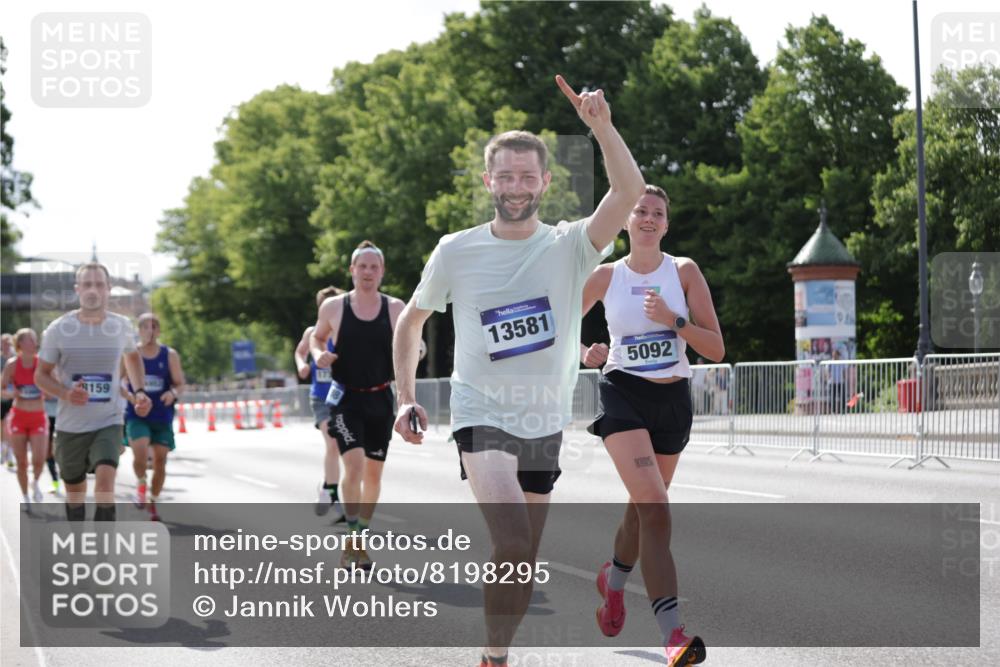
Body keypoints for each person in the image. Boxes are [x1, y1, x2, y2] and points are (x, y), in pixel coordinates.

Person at [393, 75, 645, 667]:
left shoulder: (570, 246)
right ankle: (496, 661)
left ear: (545, 183)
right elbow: (410, 324)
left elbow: (629, 190)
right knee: (509, 542)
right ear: (488, 181)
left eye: (527, 176)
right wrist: (405, 396)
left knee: (523, 558)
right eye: (504, 176)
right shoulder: (455, 249)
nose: (515, 187)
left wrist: (601, 127)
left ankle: (493, 651)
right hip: (481, 414)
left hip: (544, 420)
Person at [580, 185, 724, 667]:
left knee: (642, 510)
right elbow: (554, 327)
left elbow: (717, 348)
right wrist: (585, 352)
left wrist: (674, 321)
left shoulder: (683, 272)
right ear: (625, 220)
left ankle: (613, 584)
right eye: (639, 210)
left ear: (666, 224)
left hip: (672, 401)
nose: (647, 218)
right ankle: (674, 636)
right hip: (622, 393)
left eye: (656, 213)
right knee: (656, 509)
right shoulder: (605, 277)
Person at [310, 242, 405, 570]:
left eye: (373, 267)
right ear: (352, 270)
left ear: (382, 271)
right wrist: (317, 352)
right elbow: (317, 337)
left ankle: (360, 535)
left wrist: (416, 351)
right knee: (353, 467)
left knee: (374, 474)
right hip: (346, 398)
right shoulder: (334, 308)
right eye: (361, 267)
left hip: (381, 397)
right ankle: (353, 538)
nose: (367, 273)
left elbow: (408, 345)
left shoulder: (395, 308)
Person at [34, 262, 152, 521]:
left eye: (99, 284)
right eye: (87, 284)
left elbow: (132, 358)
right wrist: (65, 393)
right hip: (70, 426)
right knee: (75, 495)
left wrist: (140, 391)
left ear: (108, 289)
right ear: (77, 290)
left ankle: (102, 553)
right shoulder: (57, 330)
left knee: (105, 487)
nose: (93, 290)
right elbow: (40, 375)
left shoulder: (121, 326)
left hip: (108, 421)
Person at [121, 312, 186, 520]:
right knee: (139, 453)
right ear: (138, 331)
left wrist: (172, 393)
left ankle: (154, 500)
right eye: (145, 328)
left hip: (161, 414)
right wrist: (132, 398)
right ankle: (141, 484)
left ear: (158, 330)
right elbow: (119, 382)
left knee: (160, 461)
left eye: (154, 327)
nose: (150, 332)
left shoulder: (169, 355)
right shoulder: (131, 353)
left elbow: (180, 383)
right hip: (137, 413)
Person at [295, 285, 345, 519]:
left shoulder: (347, 330)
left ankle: (328, 488)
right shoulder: (312, 332)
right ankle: (333, 495)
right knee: (333, 443)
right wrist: (302, 365)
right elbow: (299, 352)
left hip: (346, 394)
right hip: (321, 397)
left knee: (349, 448)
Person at [1, 329, 49, 508]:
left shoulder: (42, 364)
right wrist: (10, 393)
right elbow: (2, 389)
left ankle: (35, 481)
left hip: (38, 416)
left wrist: (49, 390)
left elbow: (54, 384)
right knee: (22, 462)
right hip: (19, 417)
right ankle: (26, 496)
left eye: (34, 340)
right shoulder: (12, 364)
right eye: (29, 340)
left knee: (39, 459)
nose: (33, 344)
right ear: (19, 344)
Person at [1, 333, 14, 470]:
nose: (6, 346)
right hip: (1, 396)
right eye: (3, 343)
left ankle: (9, 452)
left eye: (8, 343)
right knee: (1, 425)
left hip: (13, 397)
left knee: (9, 424)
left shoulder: (15, 359)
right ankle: (2, 448)